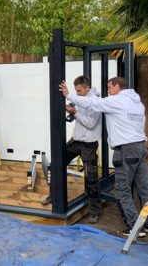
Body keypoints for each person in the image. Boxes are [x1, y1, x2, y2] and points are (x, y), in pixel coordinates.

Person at [59, 77, 148, 237]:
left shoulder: (118, 101)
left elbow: (94, 104)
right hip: (140, 147)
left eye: (110, 88)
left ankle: (134, 227)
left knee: (122, 191)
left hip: (126, 150)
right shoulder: (137, 103)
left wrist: (69, 95)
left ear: (118, 87)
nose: (108, 91)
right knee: (145, 189)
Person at [42, 76, 102, 224]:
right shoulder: (81, 98)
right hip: (76, 141)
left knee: (91, 177)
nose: (77, 93)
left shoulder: (96, 102)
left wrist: (76, 112)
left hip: (88, 144)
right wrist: (71, 109)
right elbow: (77, 110)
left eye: (79, 91)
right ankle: (54, 196)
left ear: (87, 88)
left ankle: (94, 211)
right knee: (56, 163)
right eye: (76, 91)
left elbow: (90, 124)